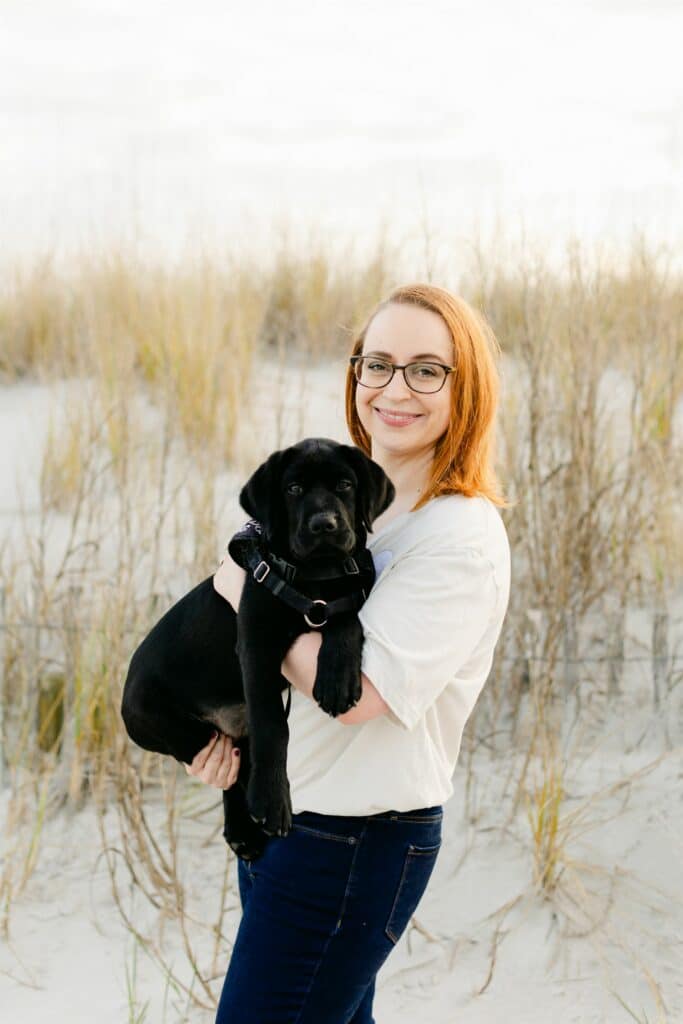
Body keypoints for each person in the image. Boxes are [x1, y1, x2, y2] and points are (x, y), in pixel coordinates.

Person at [186, 283, 512, 1023]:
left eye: (427, 369)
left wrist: (247, 585)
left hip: (356, 840)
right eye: (377, 364)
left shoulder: (457, 537)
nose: (395, 388)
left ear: (467, 388)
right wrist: (225, 738)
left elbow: (356, 695)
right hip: (286, 816)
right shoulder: (356, 504)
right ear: (354, 374)